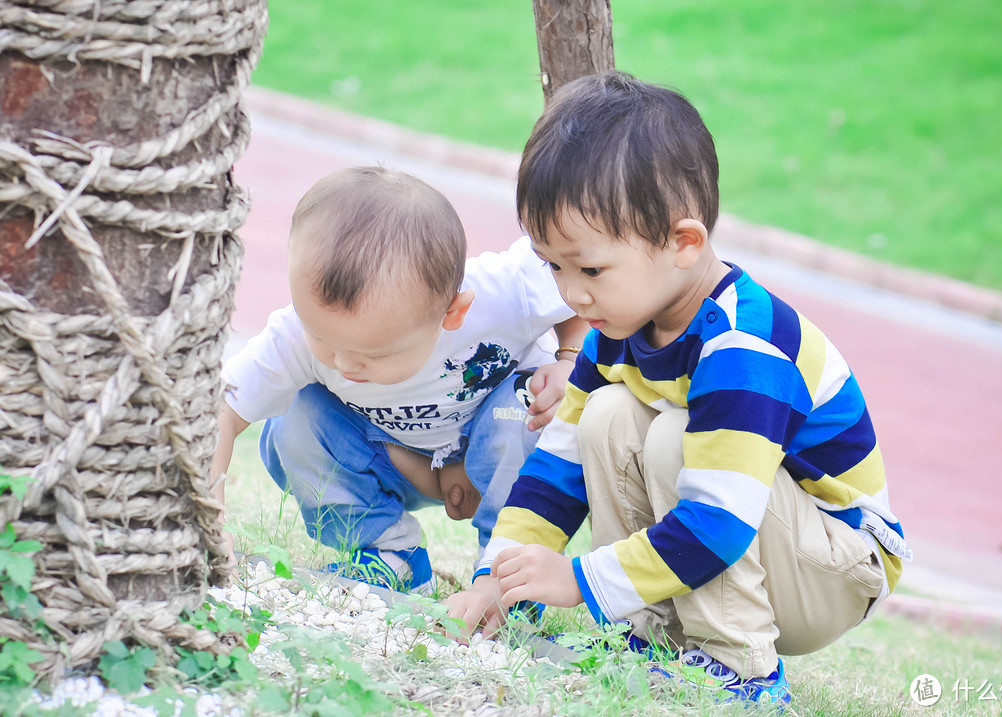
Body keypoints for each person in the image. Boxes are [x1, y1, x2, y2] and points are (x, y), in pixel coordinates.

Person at [444, 72, 910, 704]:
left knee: (672, 439)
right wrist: (496, 578)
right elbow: (557, 467)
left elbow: (719, 521)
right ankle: (647, 639)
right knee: (605, 413)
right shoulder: (618, 326)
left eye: (591, 268)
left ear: (683, 243)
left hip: (833, 567)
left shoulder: (744, 347)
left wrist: (578, 580)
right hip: (752, 542)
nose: (571, 294)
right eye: (554, 266)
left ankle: (740, 669)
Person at [212, 166, 587, 593]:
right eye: (322, 337)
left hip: (500, 450)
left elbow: (569, 279)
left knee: (523, 409)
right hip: (396, 459)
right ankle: (389, 552)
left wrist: (569, 358)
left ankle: (508, 574)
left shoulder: (502, 290)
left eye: (375, 354)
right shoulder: (296, 336)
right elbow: (219, 414)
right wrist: (210, 521)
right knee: (292, 424)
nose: (343, 364)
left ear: (453, 314)